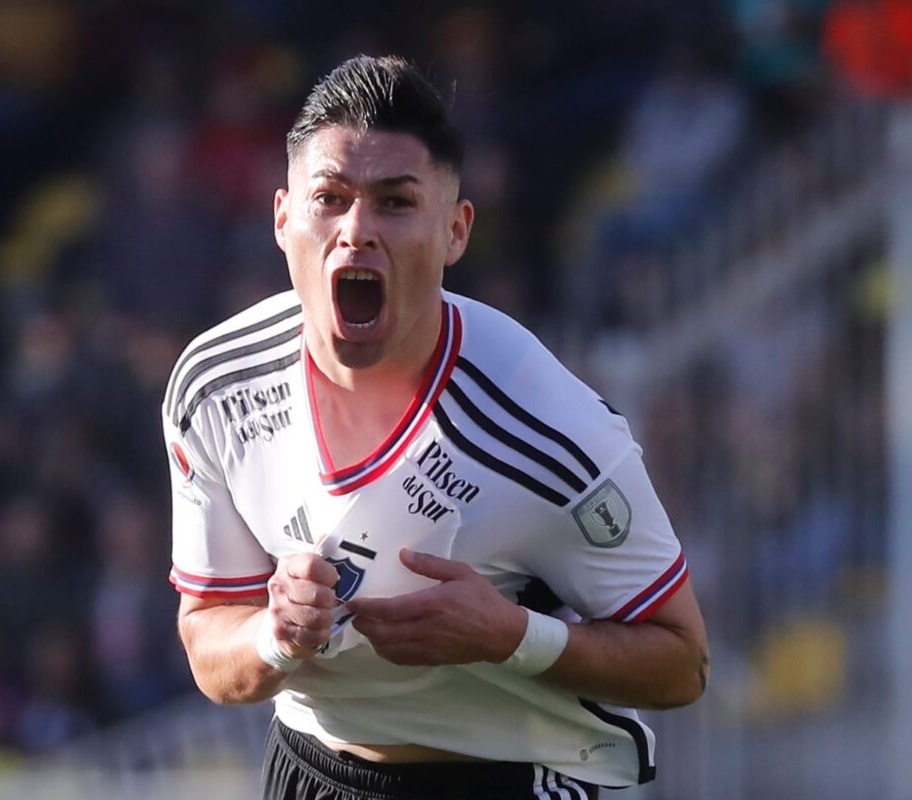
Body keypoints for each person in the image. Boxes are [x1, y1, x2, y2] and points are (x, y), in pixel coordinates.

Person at [163, 55, 708, 800]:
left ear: (456, 231)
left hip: (511, 780)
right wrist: (274, 635)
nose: (356, 231)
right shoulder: (215, 388)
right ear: (284, 217)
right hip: (309, 769)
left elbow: (682, 664)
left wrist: (512, 638)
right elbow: (209, 643)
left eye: (394, 203)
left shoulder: (552, 429)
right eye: (331, 198)